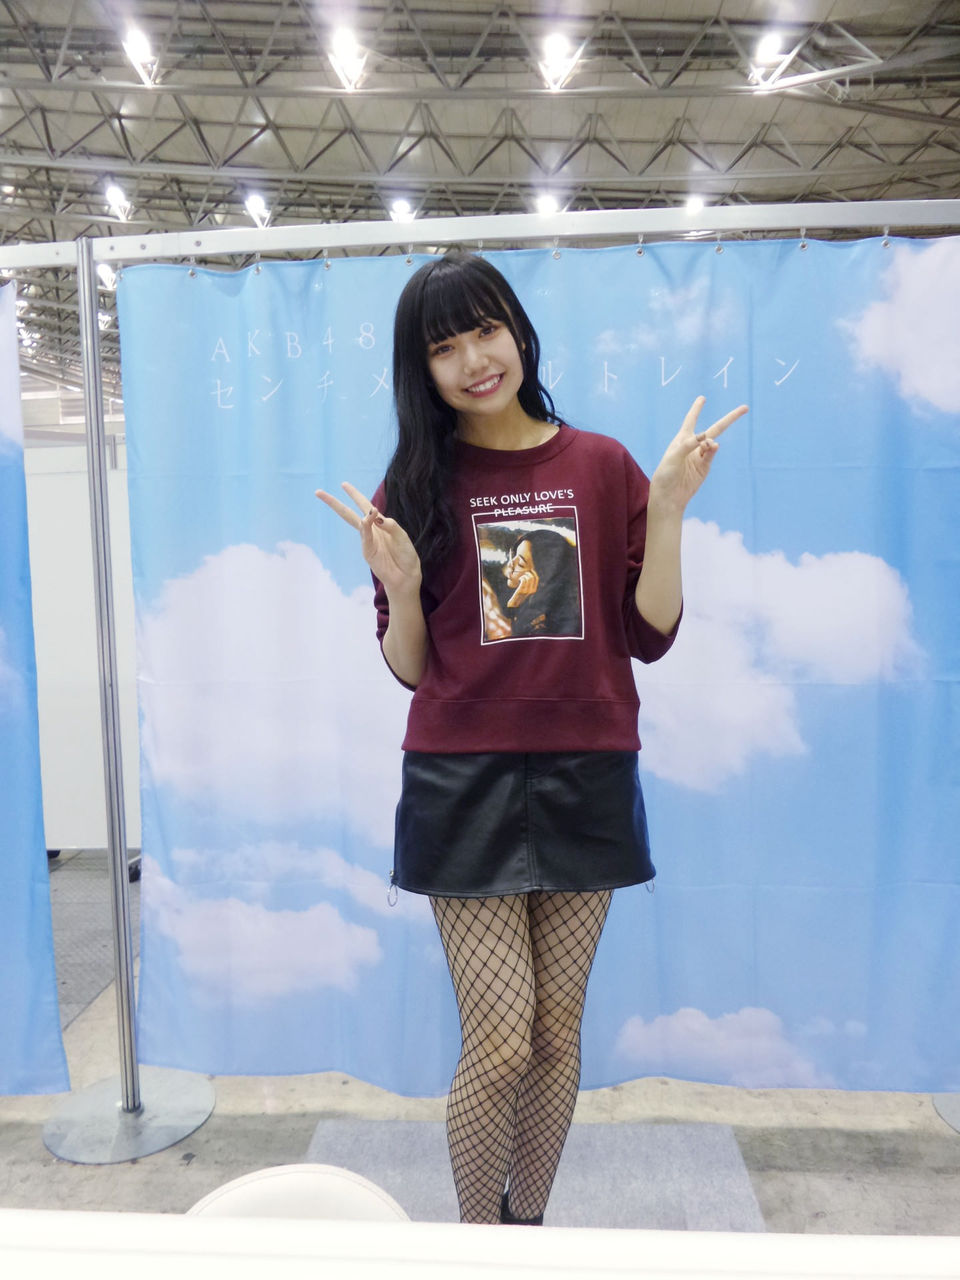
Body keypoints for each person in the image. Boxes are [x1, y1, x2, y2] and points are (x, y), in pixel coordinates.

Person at [316, 250, 747, 1226]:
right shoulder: (415, 483)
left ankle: (528, 1234)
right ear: (420, 369)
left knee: (555, 1036)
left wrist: (667, 510)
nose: (474, 360)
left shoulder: (600, 464)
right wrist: (399, 590)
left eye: (486, 331)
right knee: (503, 1039)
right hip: (460, 777)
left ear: (519, 332)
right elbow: (411, 668)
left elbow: (649, 632)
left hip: (587, 768)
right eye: (445, 347)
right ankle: (476, 1243)